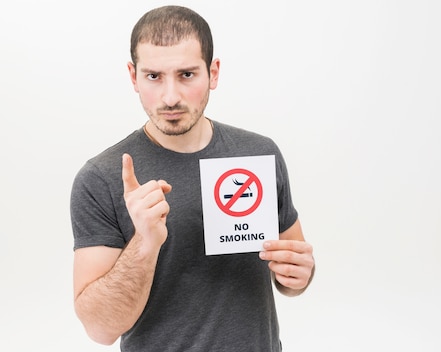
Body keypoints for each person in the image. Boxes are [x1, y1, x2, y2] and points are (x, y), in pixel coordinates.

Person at [70, 5, 315, 351]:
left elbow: (290, 277)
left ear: (213, 73)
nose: (170, 97)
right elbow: (99, 329)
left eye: (186, 74)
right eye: (153, 76)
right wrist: (145, 242)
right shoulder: (102, 178)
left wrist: (299, 275)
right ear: (133, 76)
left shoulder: (259, 154)